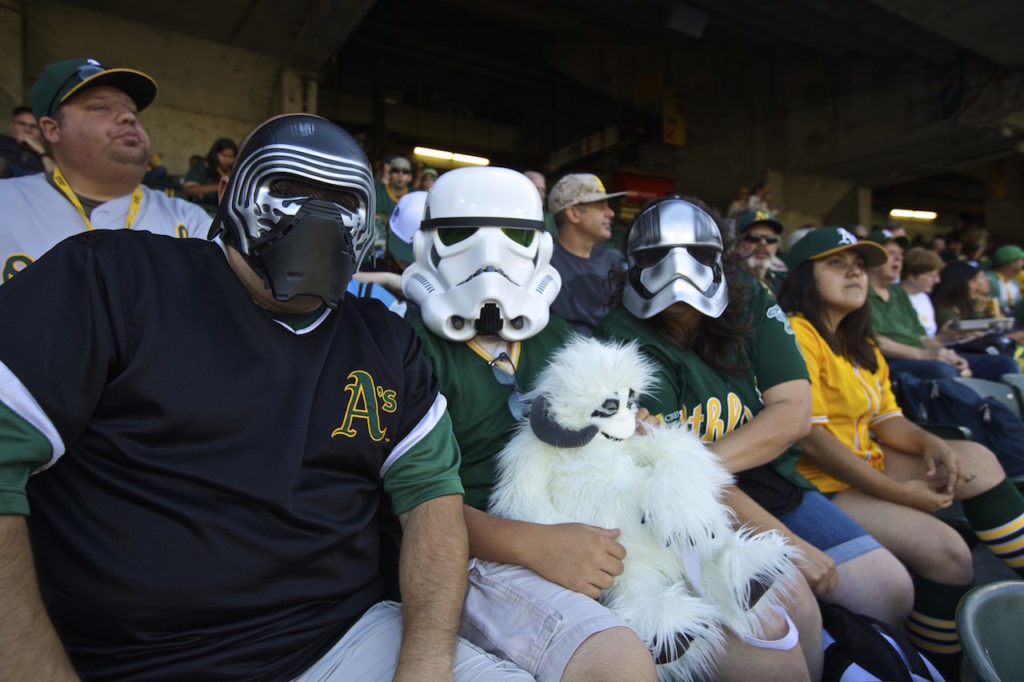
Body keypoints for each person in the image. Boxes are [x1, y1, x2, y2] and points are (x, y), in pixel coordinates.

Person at [0, 113, 530, 682]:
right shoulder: (111, 279)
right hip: (131, 659)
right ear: (232, 193)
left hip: (344, 639)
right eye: (289, 189)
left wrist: (424, 667)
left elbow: (431, 502)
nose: (318, 216)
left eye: (342, 199)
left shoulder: (385, 339)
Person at [402, 168, 816, 682]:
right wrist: (532, 543)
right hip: (481, 553)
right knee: (750, 661)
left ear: (541, 245)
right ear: (428, 244)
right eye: (463, 235)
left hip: (602, 523)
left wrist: (630, 430)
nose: (491, 257)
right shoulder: (406, 350)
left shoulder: (554, 337)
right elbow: (413, 501)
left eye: (515, 236)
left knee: (785, 618)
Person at [596, 198, 912, 631]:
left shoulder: (749, 296)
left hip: (761, 478)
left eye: (699, 255)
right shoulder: (620, 334)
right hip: (689, 509)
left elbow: (794, 413)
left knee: (890, 591)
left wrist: (690, 466)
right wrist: (791, 545)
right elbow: (662, 471)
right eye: (656, 257)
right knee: (792, 612)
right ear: (632, 264)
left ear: (721, 257)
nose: (678, 269)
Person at [776, 226, 1024, 676]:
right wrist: (901, 493)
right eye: (837, 264)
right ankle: (938, 668)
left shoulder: (858, 339)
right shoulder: (796, 332)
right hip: (818, 478)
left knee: (977, 458)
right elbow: (809, 437)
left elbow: (887, 418)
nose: (855, 273)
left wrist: (933, 444)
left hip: (866, 458)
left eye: (859, 267)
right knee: (950, 553)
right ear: (804, 277)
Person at [0, 58, 211, 283]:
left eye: (133, 112)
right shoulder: (5, 202)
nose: (129, 117)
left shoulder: (188, 218)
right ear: (52, 129)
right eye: (101, 107)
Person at [864, 228, 972, 379]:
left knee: (1003, 363)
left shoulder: (899, 293)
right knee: (944, 371)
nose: (898, 258)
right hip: (887, 360)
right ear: (870, 258)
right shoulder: (860, 294)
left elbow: (922, 337)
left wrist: (944, 353)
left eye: (900, 254)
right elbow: (873, 341)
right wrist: (923, 355)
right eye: (890, 253)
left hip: (917, 356)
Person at [547, 173, 626, 334]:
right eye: (600, 205)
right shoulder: (543, 261)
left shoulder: (612, 262)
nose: (611, 213)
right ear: (574, 214)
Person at [732, 208, 787, 294]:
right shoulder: (727, 280)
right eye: (754, 237)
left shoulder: (783, 282)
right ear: (737, 245)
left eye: (771, 238)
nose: (763, 243)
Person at [373, 155, 413, 255]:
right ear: (389, 174)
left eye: (405, 172)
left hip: (405, 245)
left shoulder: (414, 195)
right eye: (396, 171)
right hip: (379, 247)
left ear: (410, 177)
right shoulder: (377, 191)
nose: (400, 175)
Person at [182, 137, 237, 207]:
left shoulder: (235, 171)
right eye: (223, 155)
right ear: (215, 154)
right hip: (202, 208)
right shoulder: (204, 166)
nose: (227, 159)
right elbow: (188, 189)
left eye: (231, 157)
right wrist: (220, 187)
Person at [0, 106, 54, 177]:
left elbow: (55, 179)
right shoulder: (2, 141)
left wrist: (42, 151)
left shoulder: (50, 153)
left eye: (34, 127)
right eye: (22, 124)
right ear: (12, 126)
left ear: (42, 132)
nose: (27, 130)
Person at [987, 244, 1024, 323]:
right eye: (1021, 260)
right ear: (1012, 263)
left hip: (1012, 322)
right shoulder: (989, 279)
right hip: (995, 324)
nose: (1023, 264)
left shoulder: (1014, 282)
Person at [524, 169, 558, 236]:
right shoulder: (512, 214)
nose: (541, 194)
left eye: (543, 190)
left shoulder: (548, 218)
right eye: (537, 189)